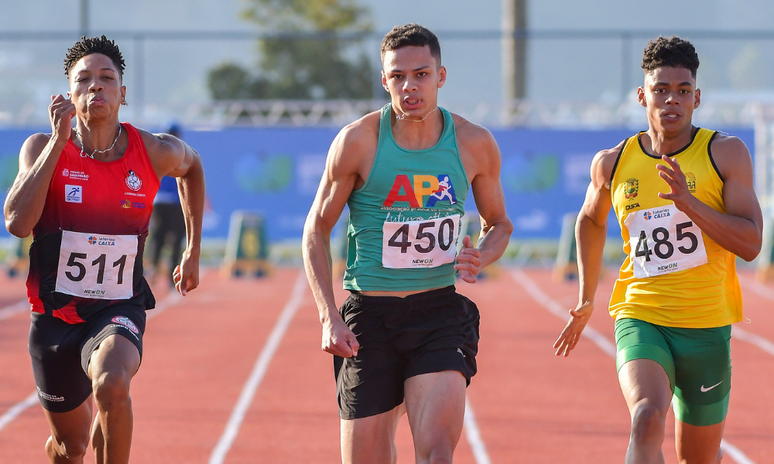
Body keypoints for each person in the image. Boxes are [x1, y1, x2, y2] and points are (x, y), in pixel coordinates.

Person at [302, 24, 512, 464]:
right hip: (368, 320)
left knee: (436, 453)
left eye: (421, 74)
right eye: (398, 76)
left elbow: (500, 225)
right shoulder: (358, 142)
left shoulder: (474, 143)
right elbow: (316, 229)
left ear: (441, 76)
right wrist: (327, 316)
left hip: (438, 313)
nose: (410, 86)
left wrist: (482, 255)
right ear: (384, 80)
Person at [553, 36, 762, 464]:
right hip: (641, 314)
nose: (672, 100)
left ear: (697, 97)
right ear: (642, 95)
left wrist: (690, 203)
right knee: (646, 417)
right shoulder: (613, 161)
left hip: (706, 324)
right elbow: (591, 219)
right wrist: (586, 298)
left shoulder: (725, 154)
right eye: (661, 89)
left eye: (683, 90)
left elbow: (752, 243)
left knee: (697, 458)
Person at [3, 35, 205, 464]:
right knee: (68, 447)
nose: (96, 87)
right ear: (68, 93)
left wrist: (193, 249)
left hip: (118, 305)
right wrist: (59, 142)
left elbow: (193, 168)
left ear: (122, 93)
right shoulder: (41, 149)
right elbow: (18, 224)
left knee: (112, 383)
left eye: (106, 78)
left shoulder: (153, 150)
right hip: (55, 316)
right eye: (84, 80)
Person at [147, 123, 187, 287]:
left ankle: (153, 271)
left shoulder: (156, 153)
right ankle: (172, 277)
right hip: (177, 203)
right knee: (176, 240)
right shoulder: (184, 153)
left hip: (159, 202)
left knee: (158, 238)